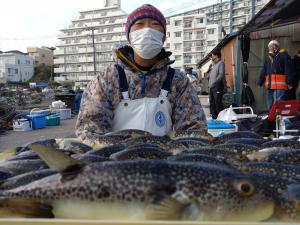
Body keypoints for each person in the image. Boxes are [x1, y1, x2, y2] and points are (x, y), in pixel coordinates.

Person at [75, 4, 207, 141]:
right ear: (129, 36)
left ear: (163, 36)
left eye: (155, 24)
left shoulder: (177, 80)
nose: (148, 30)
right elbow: (90, 133)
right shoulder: (106, 79)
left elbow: (194, 131)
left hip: (165, 158)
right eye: (139, 24)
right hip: (115, 158)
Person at [258, 40, 294, 109]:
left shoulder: (284, 56)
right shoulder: (268, 59)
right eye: (269, 47)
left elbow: (288, 70)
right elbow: (264, 71)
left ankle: (279, 119)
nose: (270, 48)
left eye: (272, 46)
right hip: (270, 87)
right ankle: (272, 119)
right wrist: (260, 82)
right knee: (270, 105)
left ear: (277, 47)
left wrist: (289, 83)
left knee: (278, 105)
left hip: (279, 87)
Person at [208, 49, 225, 119]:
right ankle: (214, 118)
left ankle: (220, 118)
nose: (211, 57)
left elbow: (221, 74)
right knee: (212, 103)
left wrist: (215, 83)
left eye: (212, 56)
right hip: (211, 87)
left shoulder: (221, 63)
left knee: (218, 103)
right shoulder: (214, 64)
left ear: (216, 56)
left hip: (217, 86)